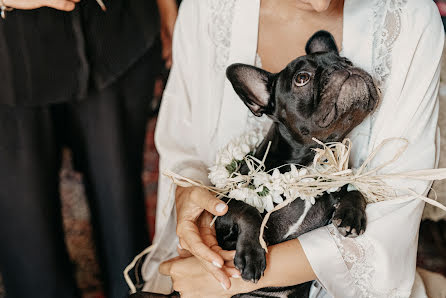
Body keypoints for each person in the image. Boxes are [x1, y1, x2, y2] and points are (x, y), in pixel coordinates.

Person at [141, 0, 444, 297]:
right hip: (207, 263)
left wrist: (236, 279)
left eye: (344, 65)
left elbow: (397, 208)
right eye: (303, 79)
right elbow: (182, 151)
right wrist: (192, 198)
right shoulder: (207, 9)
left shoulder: (410, 16)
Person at [0, 0, 176, 297]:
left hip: (116, 36)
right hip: (7, 61)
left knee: (124, 230)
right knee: (30, 253)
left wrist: (166, 4)